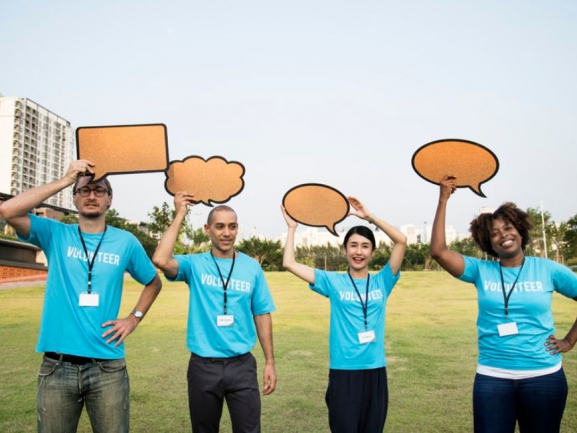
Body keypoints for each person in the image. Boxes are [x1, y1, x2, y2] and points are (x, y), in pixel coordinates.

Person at [0, 159, 162, 433]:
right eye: (84, 190)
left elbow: (153, 282)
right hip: (56, 366)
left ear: (110, 199)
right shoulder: (55, 233)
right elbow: (8, 209)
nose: (91, 196)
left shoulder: (126, 242)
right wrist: (65, 180)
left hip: (108, 367)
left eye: (99, 191)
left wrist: (133, 318)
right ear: (74, 199)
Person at [429, 175, 577, 433]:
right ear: (488, 242)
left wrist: (569, 341)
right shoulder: (480, 270)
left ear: (520, 230)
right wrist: (443, 200)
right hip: (493, 377)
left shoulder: (548, 269)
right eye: (495, 233)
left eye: (508, 228)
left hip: (543, 377)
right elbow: (438, 251)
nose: (503, 235)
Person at [152, 191, 276, 433]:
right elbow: (160, 259)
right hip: (203, 366)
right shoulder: (194, 264)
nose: (226, 233)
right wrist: (179, 214)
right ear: (208, 229)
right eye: (219, 227)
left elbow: (261, 314)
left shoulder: (251, 267)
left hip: (242, 365)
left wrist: (270, 361)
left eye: (231, 226)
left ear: (238, 228)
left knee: (250, 430)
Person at [281, 196, 407, 433]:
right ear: (344, 249)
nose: (358, 251)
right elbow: (289, 263)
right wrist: (291, 228)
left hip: (375, 371)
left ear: (372, 252)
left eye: (365, 246)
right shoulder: (333, 282)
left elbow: (401, 240)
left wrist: (369, 217)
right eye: (353, 245)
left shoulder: (383, 280)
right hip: (343, 371)